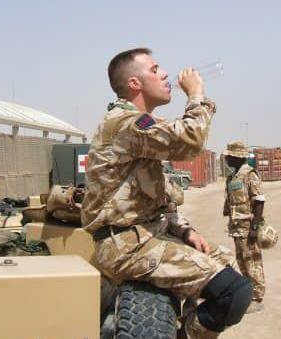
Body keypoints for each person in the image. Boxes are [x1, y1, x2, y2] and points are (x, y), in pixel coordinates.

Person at [82, 48, 253, 338]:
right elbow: (189, 141)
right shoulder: (126, 123)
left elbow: (160, 200)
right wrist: (196, 94)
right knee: (232, 293)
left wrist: (183, 230)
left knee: (226, 263)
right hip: (126, 246)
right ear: (135, 83)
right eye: (155, 69)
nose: (165, 74)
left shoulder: (138, 123)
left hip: (147, 236)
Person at [222, 141, 267, 314]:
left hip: (248, 228)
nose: (226, 158)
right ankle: (249, 294)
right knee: (242, 262)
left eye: (229, 156)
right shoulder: (232, 176)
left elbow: (259, 201)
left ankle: (257, 297)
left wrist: (255, 227)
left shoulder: (250, 174)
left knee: (253, 262)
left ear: (237, 157)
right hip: (237, 228)